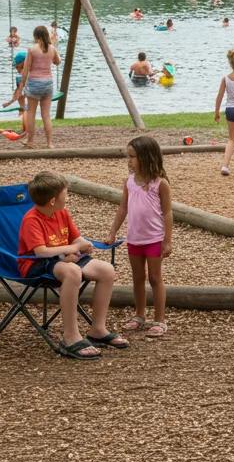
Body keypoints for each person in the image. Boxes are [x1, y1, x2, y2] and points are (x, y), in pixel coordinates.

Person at [18, 171, 128, 359]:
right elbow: (41, 252)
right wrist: (69, 250)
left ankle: (98, 330)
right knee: (73, 271)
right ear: (53, 200)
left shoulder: (62, 213)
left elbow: (75, 238)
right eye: (65, 194)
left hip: (64, 257)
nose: (67, 197)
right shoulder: (32, 219)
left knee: (107, 270)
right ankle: (70, 337)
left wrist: (83, 245)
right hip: (37, 264)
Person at [107, 136, 173, 338]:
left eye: (132, 157)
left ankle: (160, 319)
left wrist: (167, 240)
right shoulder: (129, 182)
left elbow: (168, 213)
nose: (129, 161)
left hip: (154, 238)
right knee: (137, 278)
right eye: (128, 156)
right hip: (134, 238)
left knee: (155, 278)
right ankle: (139, 315)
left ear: (146, 157)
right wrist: (113, 231)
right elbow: (123, 208)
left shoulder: (160, 184)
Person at [18, 25, 60, 149]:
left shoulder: (32, 49)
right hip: (48, 84)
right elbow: (57, 62)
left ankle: (30, 141)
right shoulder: (52, 48)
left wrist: (21, 86)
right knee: (46, 115)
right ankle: (49, 143)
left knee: (31, 113)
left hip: (34, 84)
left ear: (36, 36)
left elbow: (25, 70)